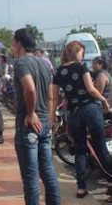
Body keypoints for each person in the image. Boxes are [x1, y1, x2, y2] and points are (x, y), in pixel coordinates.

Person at [50, 41, 112, 199]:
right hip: (90, 109)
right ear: (76, 52)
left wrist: (52, 118)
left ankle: (81, 187)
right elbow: (91, 90)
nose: (83, 57)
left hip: (73, 113)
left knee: (80, 150)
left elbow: (54, 96)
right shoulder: (81, 67)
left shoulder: (58, 71)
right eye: (82, 53)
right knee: (101, 148)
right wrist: (104, 102)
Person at [11, 29, 61, 205]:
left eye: (13, 43)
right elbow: (50, 95)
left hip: (29, 124)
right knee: (47, 171)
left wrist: (31, 113)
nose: (12, 47)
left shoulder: (21, 63)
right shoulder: (44, 64)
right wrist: (48, 117)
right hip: (44, 121)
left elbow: (30, 88)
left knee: (31, 177)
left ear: (19, 44)